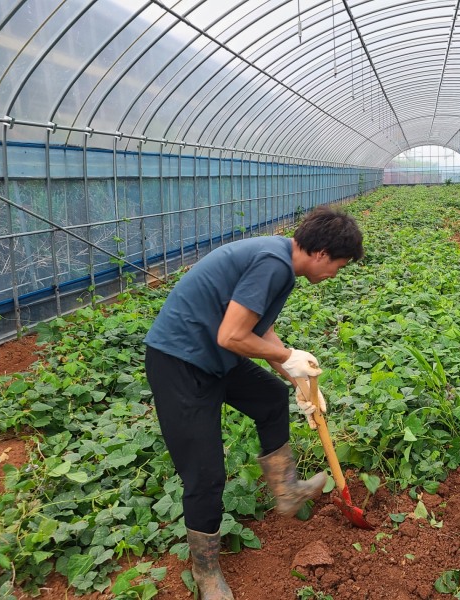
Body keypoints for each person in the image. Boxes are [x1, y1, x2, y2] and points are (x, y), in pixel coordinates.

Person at [144, 206, 364, 600]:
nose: (336, 274)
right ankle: (206, 571)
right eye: (339, 266)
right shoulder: (273, 264)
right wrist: (287, 356)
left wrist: (297, 380)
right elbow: (232, 336)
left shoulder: (281, 261)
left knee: (270, 397)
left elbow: (258, 329)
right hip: (180, 361)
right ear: (321, 253)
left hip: (212, 357)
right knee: (205, 475)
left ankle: (286, 490)